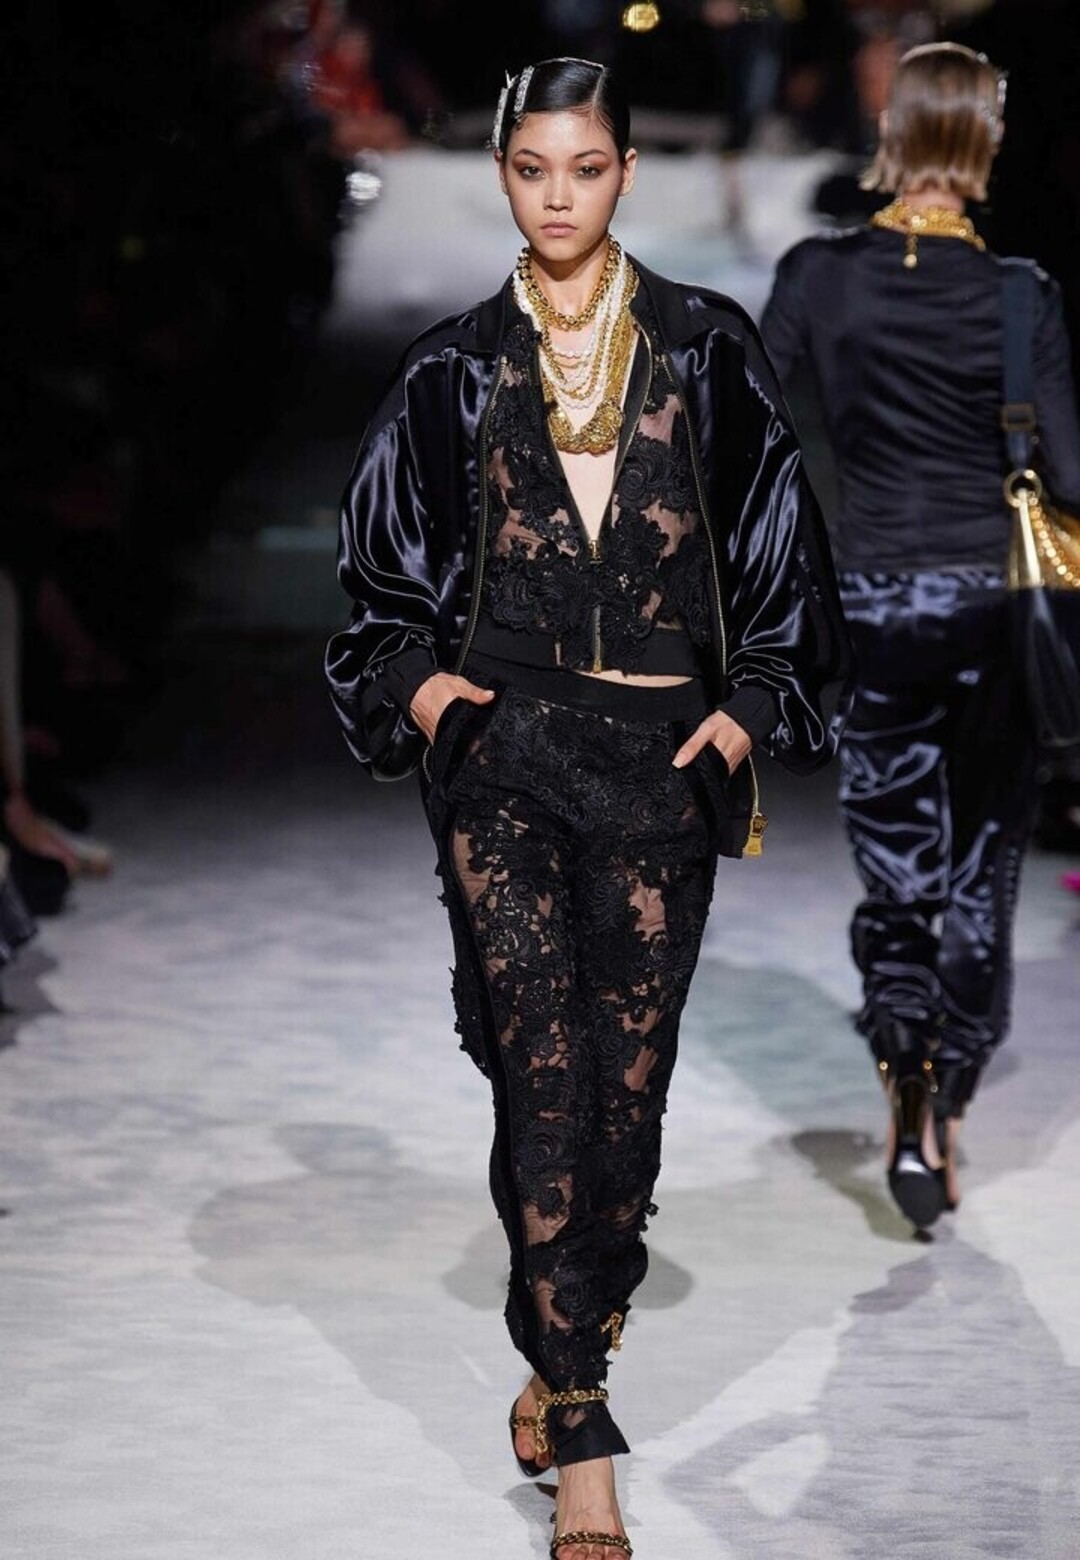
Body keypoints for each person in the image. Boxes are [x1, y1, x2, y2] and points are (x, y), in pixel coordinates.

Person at [327, 58, 848, 1559]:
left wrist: (749, 708)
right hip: (505, 760)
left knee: (626, 1100)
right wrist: (435, 700)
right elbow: (379, 586)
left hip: (661, 761)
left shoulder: (706, 345)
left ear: (626, 172)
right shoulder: (450, 369)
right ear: (505, 173)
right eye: (533, 169)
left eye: (588, 167)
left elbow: (779, 545)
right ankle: (582, 1434)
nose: (559, 197)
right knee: (542, 1083)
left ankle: (568, 1337)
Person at [762, 41, 1080, 1230]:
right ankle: (947, 1088)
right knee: (983, 863)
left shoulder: (817, 275)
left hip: (876, 602)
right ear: (985, 143)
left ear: (892, 136)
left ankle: (903, 1059)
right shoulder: (1022, 296)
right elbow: (1071, 474)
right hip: (996, 607)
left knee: (897, 857)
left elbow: (746, 432)